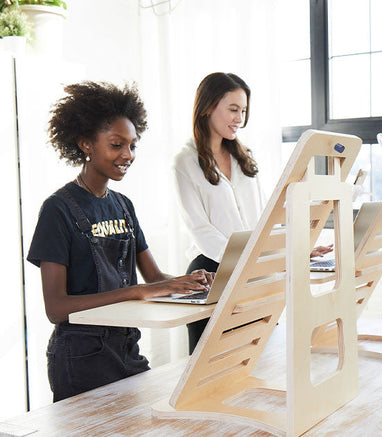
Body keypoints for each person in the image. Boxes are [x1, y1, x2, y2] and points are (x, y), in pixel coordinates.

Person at [27, 81, 213, 402]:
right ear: (86, 143)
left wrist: (188, 282)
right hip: (80, 358)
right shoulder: (57, 209)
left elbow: (154, 279)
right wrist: (135, 291)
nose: (128, 155)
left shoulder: (123, 206)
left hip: (126, 349)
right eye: (117, 144)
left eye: (133, 145)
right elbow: (56, 309)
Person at [172, 72, 332, 354]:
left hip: (254, 271)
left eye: (243, 111)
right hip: (212, 274)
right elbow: (200, 230)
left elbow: (262, 220)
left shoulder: (246, 159)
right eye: (233, 109)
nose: (239, 119)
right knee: (207, 374)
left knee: (254, 359)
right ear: (208, 106)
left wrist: (294, 248)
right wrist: (254, 260)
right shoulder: (184, 162)